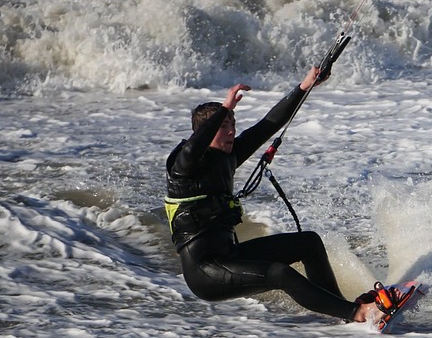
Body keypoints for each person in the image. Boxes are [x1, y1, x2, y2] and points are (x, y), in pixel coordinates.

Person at [164, 67, 390, 324]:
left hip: (230, 256)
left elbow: (268, 124)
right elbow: (194, 146)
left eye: (233, 125)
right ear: (205, 131)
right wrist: (225, 108)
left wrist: (304, 87)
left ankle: (344, 311)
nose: (231, 132)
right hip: (205, 272)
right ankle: (357, 313)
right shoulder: (183, 167)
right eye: (224, 126)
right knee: (279, 273)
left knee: (309, 243)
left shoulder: (228, 157)